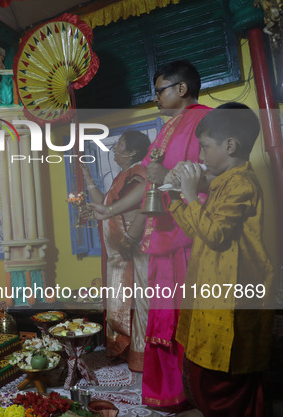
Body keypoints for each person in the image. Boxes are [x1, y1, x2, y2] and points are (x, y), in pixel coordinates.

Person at [91, 60, 212, 409]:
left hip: (189, 236)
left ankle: (199, 398)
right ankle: (172, 394)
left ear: (181, 89)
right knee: (163, 318)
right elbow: (148, 181)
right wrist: (110, 210)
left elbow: (207, 175)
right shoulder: (167, 128)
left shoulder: (206, 120)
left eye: (160, 90)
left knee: (185, 318)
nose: (156, 97)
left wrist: (167, 177)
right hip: (162, 236)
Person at [168, 103, 273, 416]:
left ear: (230, 146)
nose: (200, 156)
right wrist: (176, 197)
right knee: (202, 371)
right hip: (212, 289)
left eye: (204, 147)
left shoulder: (241, 183)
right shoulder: (222, 183)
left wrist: (190, 195)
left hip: (234, 294)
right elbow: (199, 230)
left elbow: (215, 235)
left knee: (223, 376)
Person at [84, 131, 151, 372]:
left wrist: (110, 213)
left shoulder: (139, 172)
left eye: (119, 144)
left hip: (132, 250)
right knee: (120, 304)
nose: (114, 148)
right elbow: (105, 206)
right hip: (117, 254)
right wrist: (87, 177)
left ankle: (139, 358)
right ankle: (126, 354)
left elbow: (143, 194)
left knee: (135, 304)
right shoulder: (123, 176)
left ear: (132, 151)